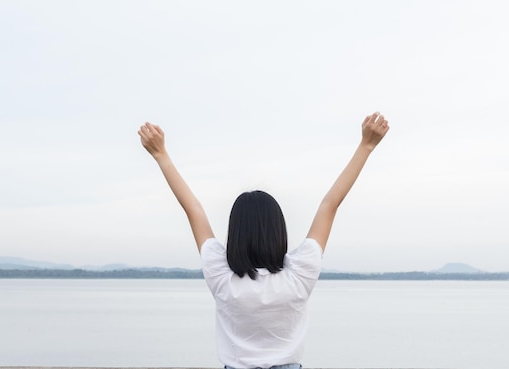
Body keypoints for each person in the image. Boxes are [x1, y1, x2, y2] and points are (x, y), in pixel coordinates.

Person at [138, 112, 389, 369]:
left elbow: (193, 209)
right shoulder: (299, 274)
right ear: (278, 231)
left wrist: (161, 155)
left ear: (234, 233)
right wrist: (365, 146)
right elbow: (330, 205)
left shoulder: (222, 276)